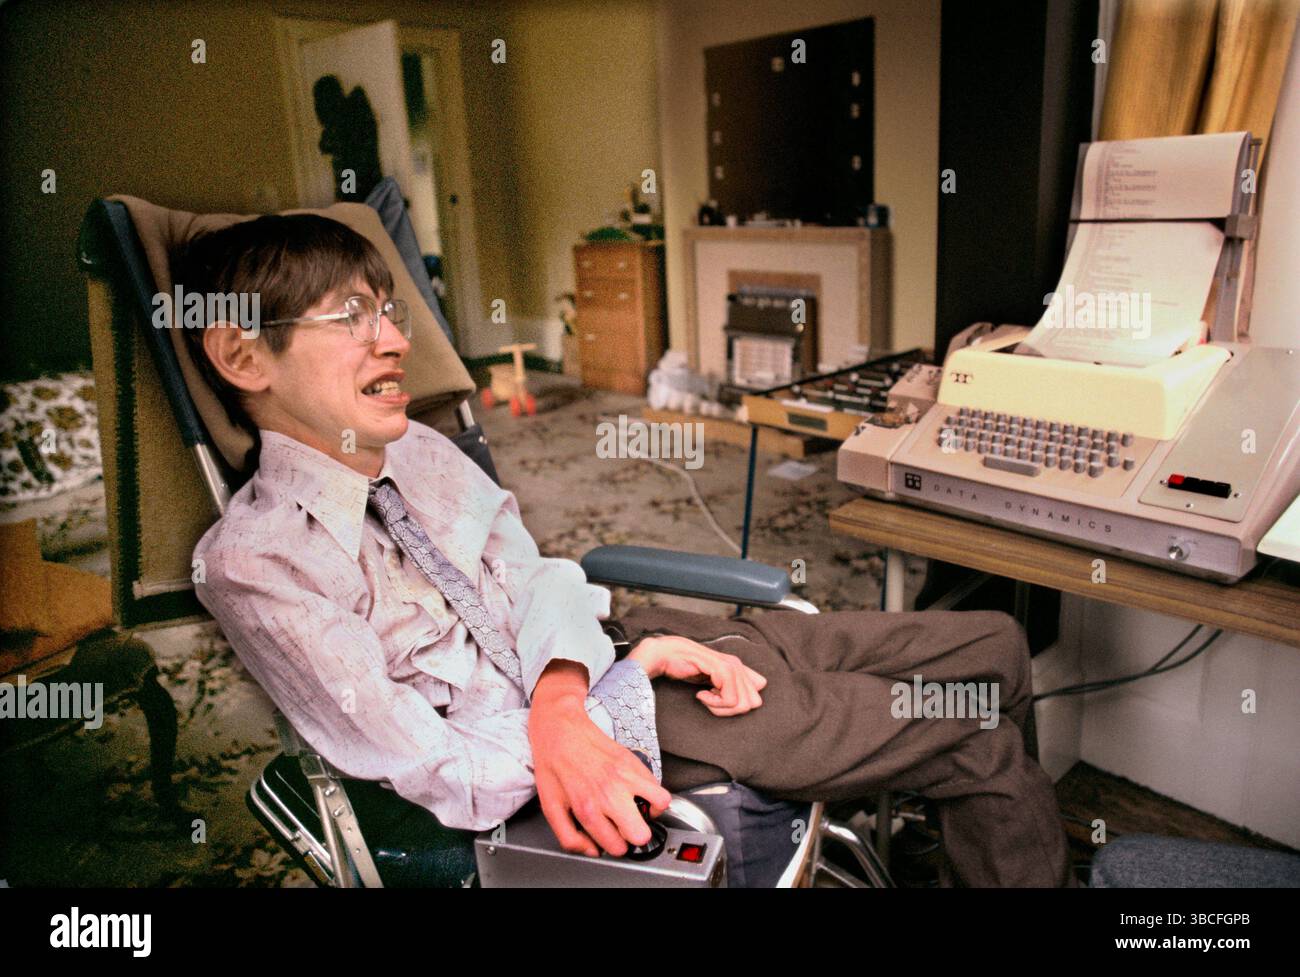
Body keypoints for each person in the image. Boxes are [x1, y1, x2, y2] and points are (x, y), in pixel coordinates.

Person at [179, 214, 1074, 887]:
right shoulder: (257, 564)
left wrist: (597, 676)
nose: (399, 339)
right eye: (351, 316)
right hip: (627, 729)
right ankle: (980, 813)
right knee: (977, 731)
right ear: (244, 356)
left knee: (993, 641)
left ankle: (970, 839)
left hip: (629, 653)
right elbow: (434, 768)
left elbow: (537, 575)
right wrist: (607, 698)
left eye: (388, 310)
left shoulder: (418, 450)